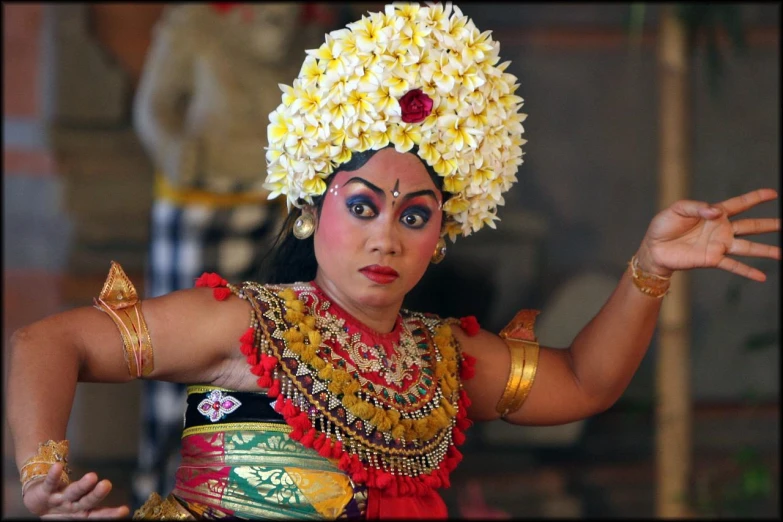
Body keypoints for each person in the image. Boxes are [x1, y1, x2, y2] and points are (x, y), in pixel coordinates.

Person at [7, 3, 779, 520]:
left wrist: (650, 266)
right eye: (363, 206)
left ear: (440, 235)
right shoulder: (242, 325)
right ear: (313, 211)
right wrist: (42, 478)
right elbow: (50, 342)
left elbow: (582, 382)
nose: (386, 237)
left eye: (414, 216)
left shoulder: (441, 358)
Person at [131, 2, 333, 507]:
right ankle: (165, 477)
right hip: (205, 203)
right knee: (179, 342)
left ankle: (256, 477)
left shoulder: (314, 34)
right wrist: (181, 155)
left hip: (281, 207)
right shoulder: (193, 27)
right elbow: (154, 108)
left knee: (277, 346)